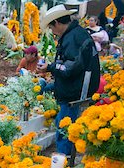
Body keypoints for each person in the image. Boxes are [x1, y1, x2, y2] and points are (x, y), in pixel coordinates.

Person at [38, 5, 100, 156]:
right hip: (73, 90)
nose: (52, 32)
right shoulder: (74, 34)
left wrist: (50, 67)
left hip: (74, 93)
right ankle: (66, 159)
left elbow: (69, 68)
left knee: (65, 129)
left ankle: (63, 162)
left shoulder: (74, 38)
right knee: (67, 128)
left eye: (52, 28)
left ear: (58, 23)